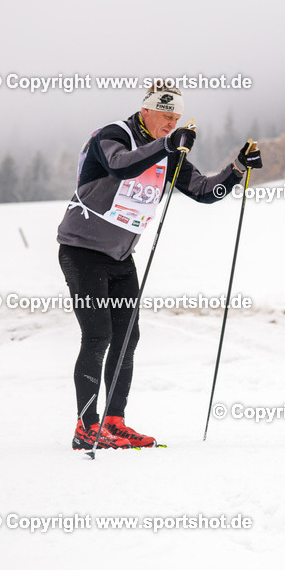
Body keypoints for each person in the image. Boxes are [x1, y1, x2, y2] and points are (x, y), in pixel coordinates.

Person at [57, 83, 263, 450]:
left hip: (120, 257)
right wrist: (168, 146)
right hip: (81, 251)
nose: (172, 124)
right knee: (98, 335)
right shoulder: (114, 134)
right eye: (167, 116)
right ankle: (86, 426)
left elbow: (202, 190)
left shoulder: (168, 149)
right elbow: (120, 166)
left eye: (177, 119)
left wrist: (235, 169)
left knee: (126, 338)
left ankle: (114, 421)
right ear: (148, 110)